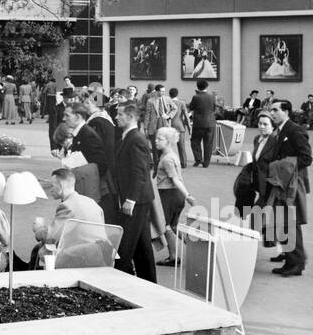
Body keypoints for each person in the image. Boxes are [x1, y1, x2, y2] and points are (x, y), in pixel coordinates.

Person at [264, 99, 312, 276]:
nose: (272, 113)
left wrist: (281, 165)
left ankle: (296, 263)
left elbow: (306, 158)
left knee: (291, 223)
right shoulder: (281, 130)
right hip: (282, 183)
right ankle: (292, 259)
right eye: (271, 110)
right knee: (284, 222)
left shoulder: (295, 130)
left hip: (290, 184)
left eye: (275, 110)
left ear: (286, 112)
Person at [113, 102, 157, 283]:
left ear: (130, 117)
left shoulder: (135, 139)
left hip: (136, 200)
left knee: (126, 244)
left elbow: (140, 173)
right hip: (138, 198)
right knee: (142, 245)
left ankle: (118, 282)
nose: (116, 117)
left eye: (120, 114)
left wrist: (131, 199)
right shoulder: (128, 136)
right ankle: (150, 283)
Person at [29, 168, 105, 267]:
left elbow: (50, 236)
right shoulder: (92, 202)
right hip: (99, 256)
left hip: (78, 258)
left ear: (62, 186)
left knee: (41, 250)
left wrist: (38, 229)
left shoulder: (67, 206)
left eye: (52, 185)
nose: (50, 189)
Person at [153, 126, 194, 266]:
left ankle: (173, 257)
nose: (156, 141)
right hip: (175, 196)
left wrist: (188, 195)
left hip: (169, 195)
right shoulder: (171, 155)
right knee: (174, 226)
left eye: (160, 139)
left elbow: (175, 179)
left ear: (169, 141)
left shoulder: (167, 159)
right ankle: (197, 247)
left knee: (165, 226)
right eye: (156, 138)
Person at [188, 79, 217, 168]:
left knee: (195, 141)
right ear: (207, 86)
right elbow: (214, 109)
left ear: (197, 87)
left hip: (199, 123)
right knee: (208, 143)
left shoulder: (196, 97)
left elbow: (191, 107)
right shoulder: (212, 97)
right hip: (210, 123)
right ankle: (206, 163)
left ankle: (198, 159)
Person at [163, 87, 191, 169]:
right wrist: (189, 129)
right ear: (177, 94)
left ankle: (168, 163)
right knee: (181, 146)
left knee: (168, 146)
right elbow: (186, 116)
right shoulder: (181, 103)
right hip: (179, 126)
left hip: (168, 126)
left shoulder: (166, 102)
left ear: (169, 94)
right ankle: (183, 163)